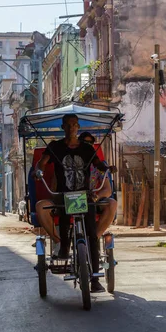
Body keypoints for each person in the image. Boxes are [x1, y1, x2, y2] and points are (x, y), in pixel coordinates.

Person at [35, 114, 110, 293]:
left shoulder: (86, 148)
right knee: (63, 215)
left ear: (78, 126)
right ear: (63, 127)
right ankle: (63, 246)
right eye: (67, 126)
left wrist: (107, 169)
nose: (71, 128)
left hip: (84, 195)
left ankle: (94, 278)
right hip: (64, 194)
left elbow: (99, 164)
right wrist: (38, 170)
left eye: (74, 125)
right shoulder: (54, 147)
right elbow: (42, 163)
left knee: (92, 234)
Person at [79, 132, 117, 247]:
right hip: (73, 198)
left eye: (91, 143)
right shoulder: (70, 162)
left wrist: (96, 196)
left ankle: (95, 238)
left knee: (112, 203)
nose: (88, 146)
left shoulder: (98, 165)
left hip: (91, 199)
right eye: (85, 143)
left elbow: (107, 190)